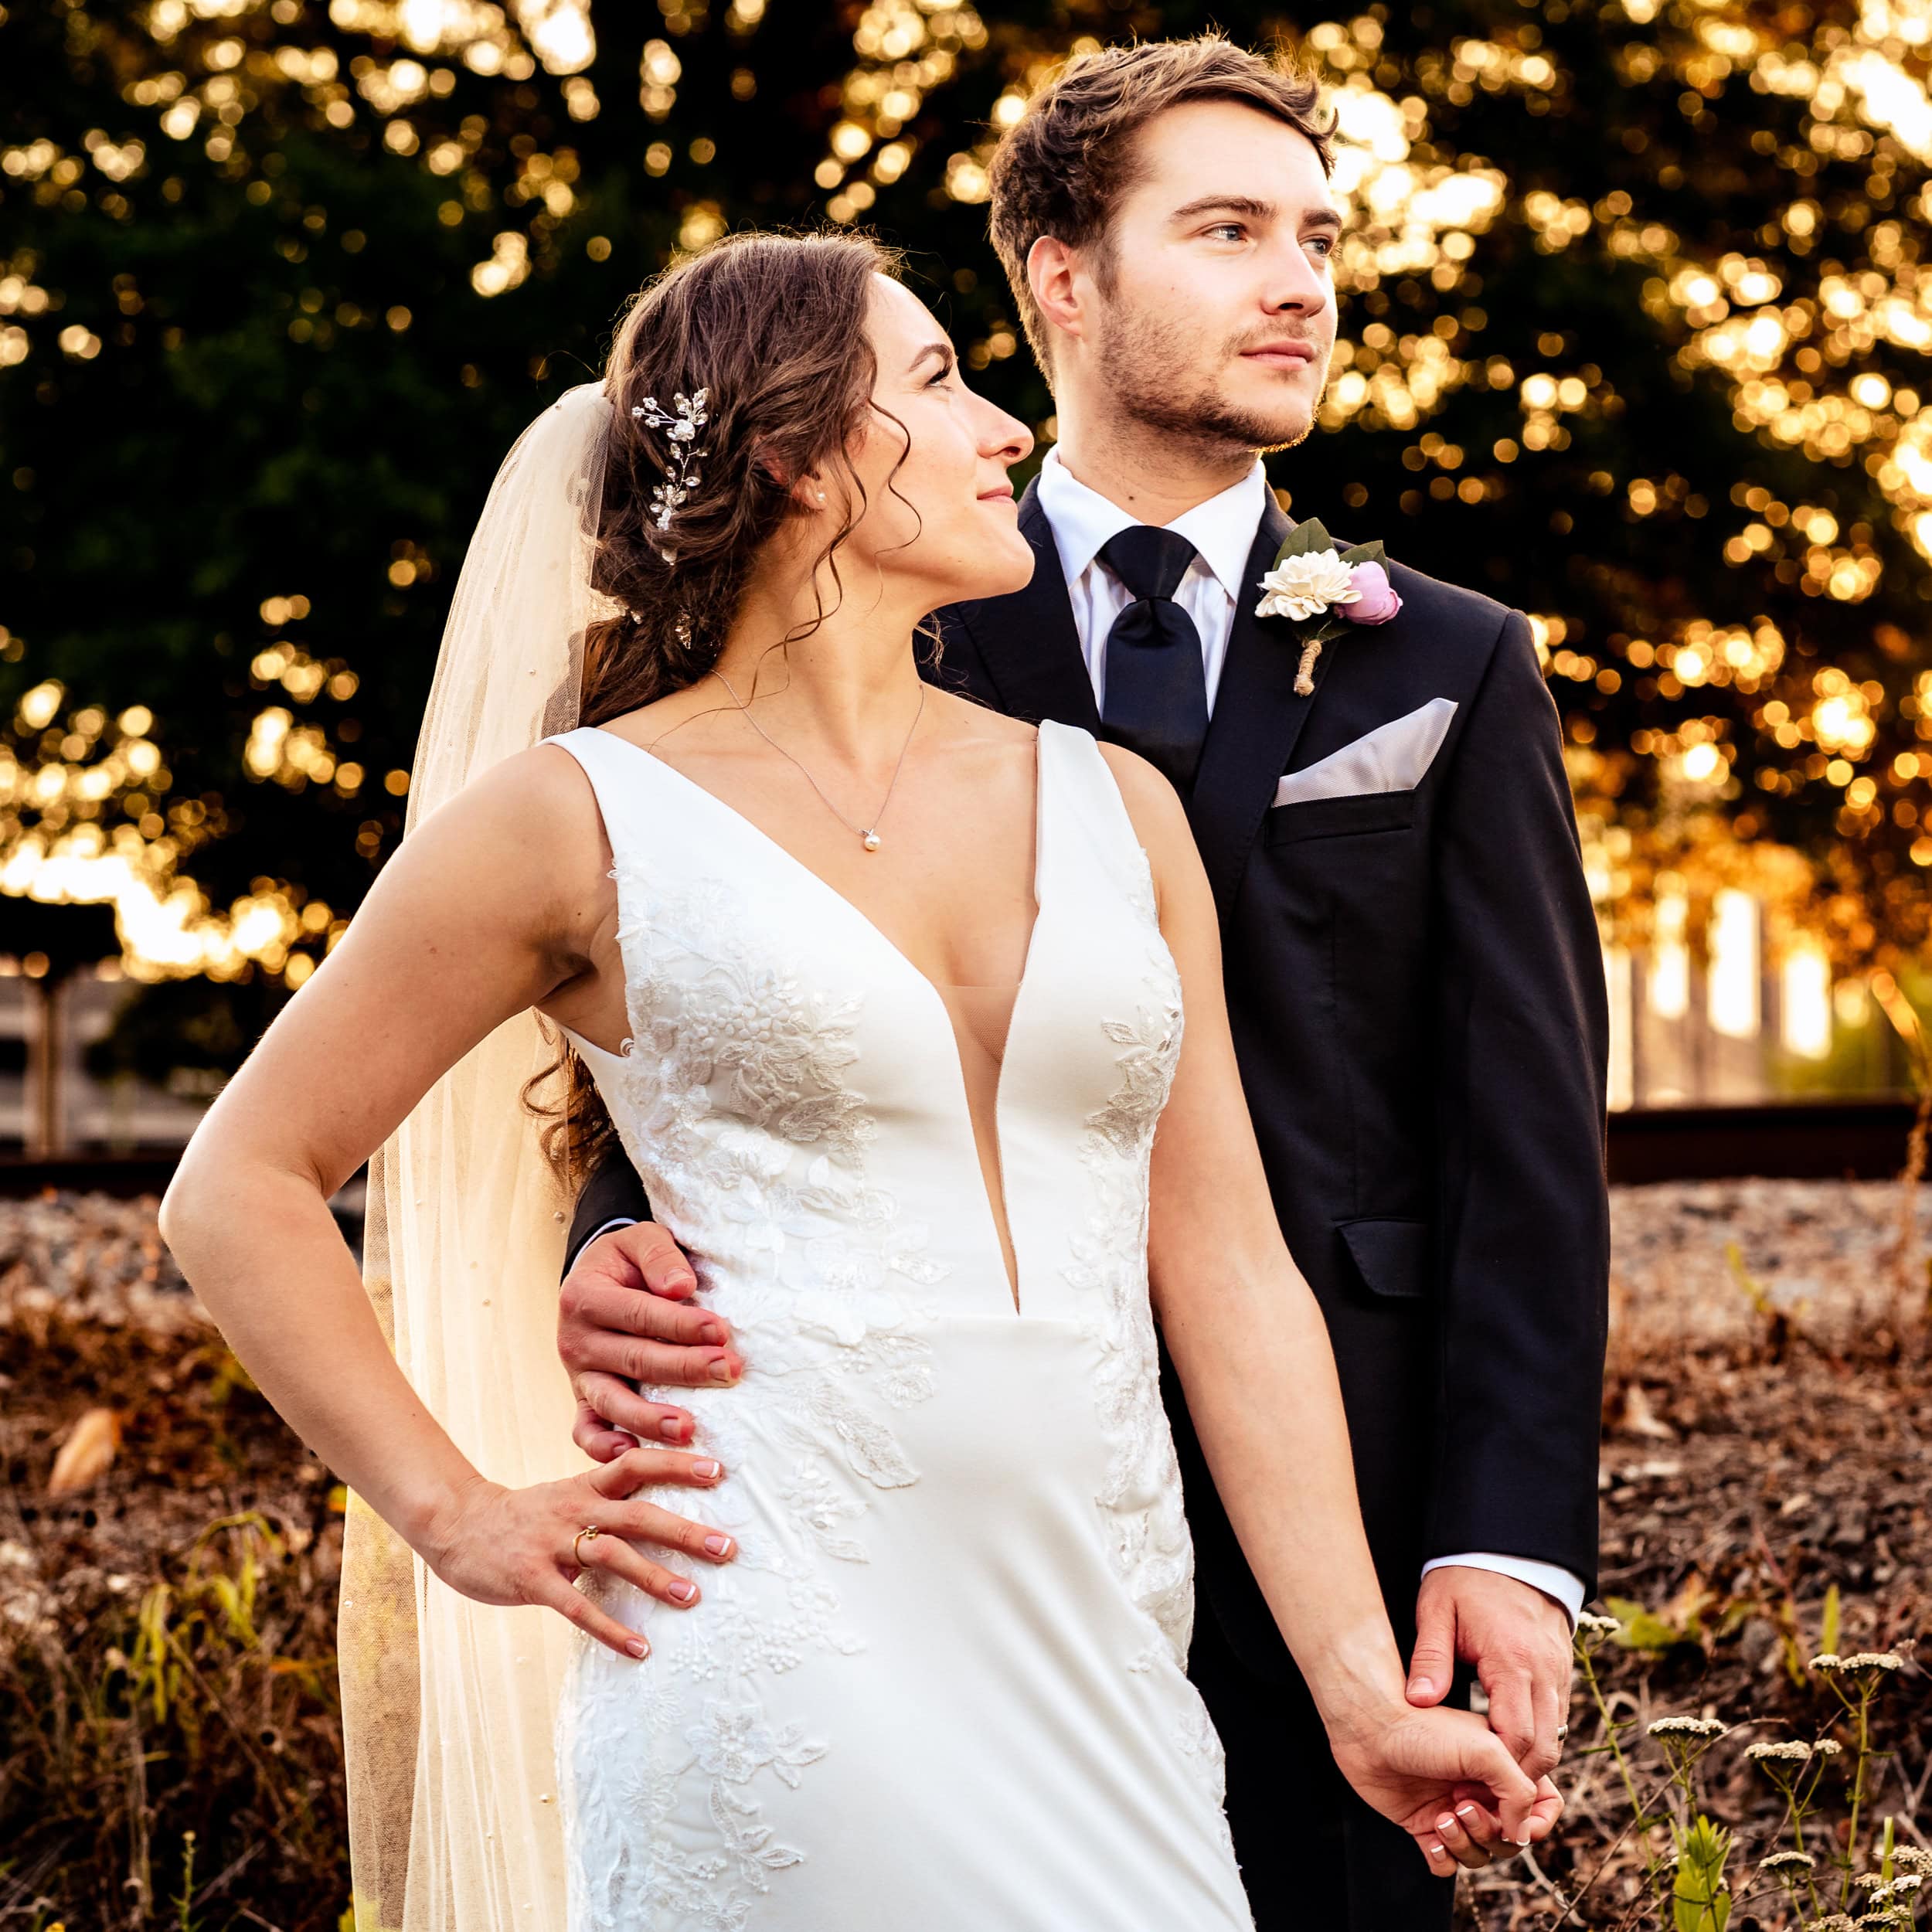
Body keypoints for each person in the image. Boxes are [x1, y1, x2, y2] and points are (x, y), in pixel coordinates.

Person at [158, 223, 1562, 1932]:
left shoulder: (1115, 808)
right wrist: (458, 1514)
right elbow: (238, 1181)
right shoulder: (569, 817)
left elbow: (1227, 1270)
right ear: (796, 459)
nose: (1004, 433)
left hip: (1110, 1659)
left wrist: (1356, 1680)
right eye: (938, 381)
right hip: (771, 1654)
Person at [553, 34, 1611, 1932]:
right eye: (1223, 231)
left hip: (1341, 1521)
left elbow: (1531, 1149)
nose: (1298, 282)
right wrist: (616, 1225)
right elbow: (698, 953)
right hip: (905, 1521)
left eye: (1316, 235)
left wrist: (1505, 1537)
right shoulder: (870, 610)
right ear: (1057, 272)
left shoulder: (1449, 667)